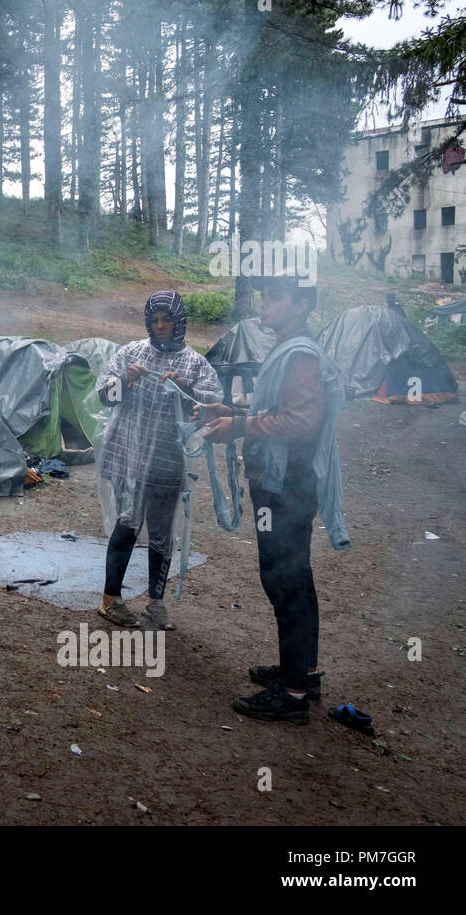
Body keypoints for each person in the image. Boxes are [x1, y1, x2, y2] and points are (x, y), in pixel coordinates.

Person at [199, 275, 349, 724]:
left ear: (301, 306)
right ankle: (301, 671)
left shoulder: (300, 354)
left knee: (284, 580)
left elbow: (301, 422)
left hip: (285, 487)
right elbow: (277, 413)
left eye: (276, 297)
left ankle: (294, 694)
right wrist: (229, 412)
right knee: (294, 578)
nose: (265, 304)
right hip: (283, 483)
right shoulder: (287, 348)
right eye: (264, 296)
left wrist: (241, 428)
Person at [95, 291, 220, 631]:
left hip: (168, 461)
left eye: (167, 320)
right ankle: (111, 600)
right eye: (155, 321)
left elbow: (209, 409)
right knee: (127, 523)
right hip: (129, 457)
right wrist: (126, 380)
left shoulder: (196, 365)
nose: (161, 326)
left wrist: (186, 390)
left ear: (179, 323)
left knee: (163, 533)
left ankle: (156, 601)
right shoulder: (131, 353)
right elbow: (105, 397)